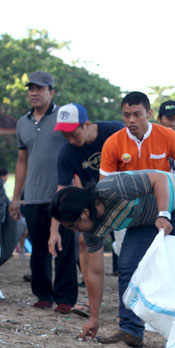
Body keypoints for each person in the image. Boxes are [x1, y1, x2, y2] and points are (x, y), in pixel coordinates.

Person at [51, 170, 175, 347]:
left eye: (73, 225)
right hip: (144, 219)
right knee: (127, 267)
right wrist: (94, 318)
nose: (75, 230)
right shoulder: (91, 230)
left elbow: (159, 179)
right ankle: (131, 331)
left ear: (86, 212)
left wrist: (163, 214)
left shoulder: (114, 188)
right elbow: (95, 272)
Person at [100, 92, 175, 261]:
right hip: (131, 210)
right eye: (126, 115)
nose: (131, 120)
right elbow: (105, 183)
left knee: (174, 258)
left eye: (137, 115)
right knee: (129, 263)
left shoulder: (166, 135)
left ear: (149, 114)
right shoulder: (113, 143)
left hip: (164, 204)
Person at [7, 71, 77, 312]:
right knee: (38, 247)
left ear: (51, 92)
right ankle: (43, 294)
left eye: (40, 88)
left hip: (63, 193)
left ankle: (66, 298)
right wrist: (16, 197)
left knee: (65, 245)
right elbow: (22, 161)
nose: (34, 93)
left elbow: (76, 149)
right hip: (34, 195)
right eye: (31, 88)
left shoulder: (63, 116)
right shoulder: (22, 123)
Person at [49, 102, 124, 316]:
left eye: (73, 134)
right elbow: (61, 192)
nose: (70, 140)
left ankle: (129, 302)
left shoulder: (115, 131)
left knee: (126, 246)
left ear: (87, 124)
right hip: (92, 205)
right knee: (83, 241)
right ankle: (92, 300)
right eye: (65, 136)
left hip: (123, 198)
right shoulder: (67, 153)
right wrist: (54, 231)